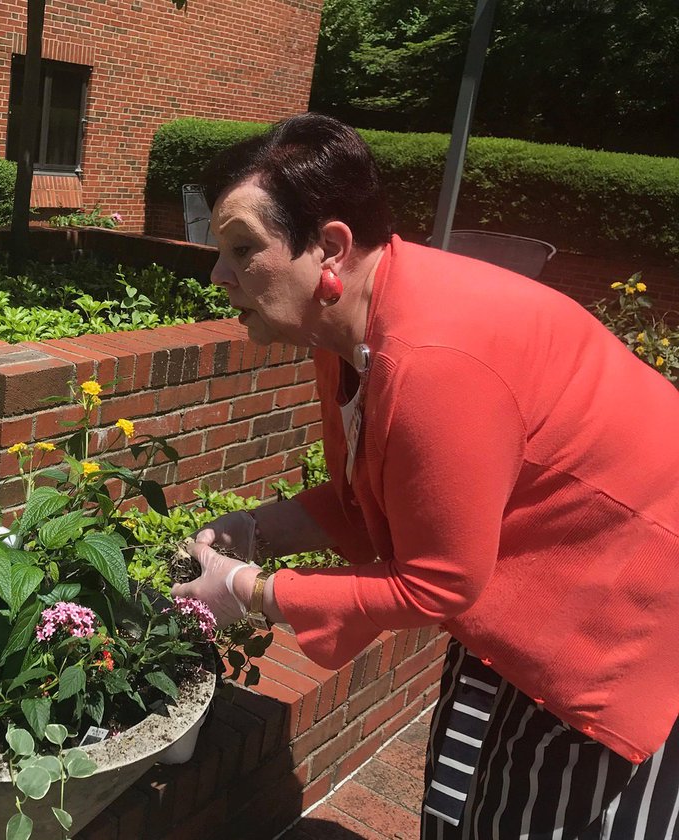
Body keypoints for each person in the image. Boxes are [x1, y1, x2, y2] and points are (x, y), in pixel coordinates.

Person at [172, 113, 679, 839]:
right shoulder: (343, 328)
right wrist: (256, 530)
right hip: (532, 582)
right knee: (473, 794)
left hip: (629, 603)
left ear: (330, 249)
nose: (218, 274)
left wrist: (248, 591)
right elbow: (371, 497)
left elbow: (438, 581)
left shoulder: (433, 360)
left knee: (544, 814)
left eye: (243, 249)